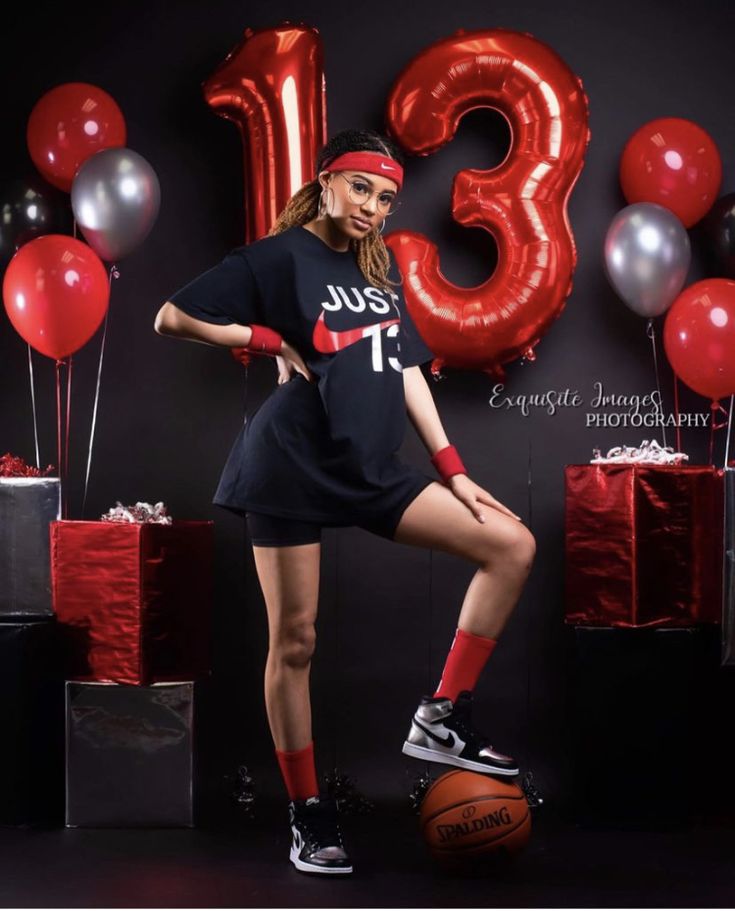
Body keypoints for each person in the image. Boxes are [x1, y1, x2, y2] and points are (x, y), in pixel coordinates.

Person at [154, 128, 536, 876]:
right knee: (294, 641)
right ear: (326, 181)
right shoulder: (278, 255)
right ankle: (306, 813)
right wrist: (267, 336)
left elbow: (405, 370)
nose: (372, 206)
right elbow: (172, 316)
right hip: (289, 462)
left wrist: (452, 468)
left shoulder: (380, 267)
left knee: (510, 545)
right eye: (361, 187)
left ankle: (440, 716)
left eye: (386, 196)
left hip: (370, 464)